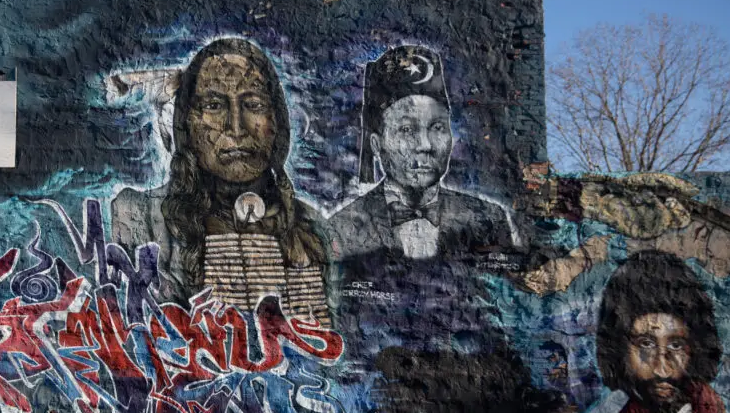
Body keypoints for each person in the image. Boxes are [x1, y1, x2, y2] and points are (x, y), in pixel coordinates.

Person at [111, 38, 329, 323]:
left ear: (277, 123)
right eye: (214, 105)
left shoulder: (311, 227)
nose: (236, 127)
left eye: (253, 104)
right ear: (186, 123)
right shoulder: (138, 217)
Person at [326, 44, 515, 261]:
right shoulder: (341, 228)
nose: (425, 145)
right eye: (407, 130)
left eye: (437, 128)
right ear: (377, 145)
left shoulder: (488, 219)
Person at [577, 251, 730, 413]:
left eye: (676, 345)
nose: (662, 369)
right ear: (619, 349)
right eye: (646, 344)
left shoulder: (707, 406)